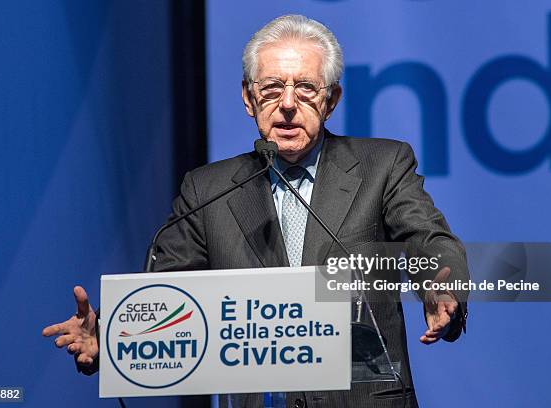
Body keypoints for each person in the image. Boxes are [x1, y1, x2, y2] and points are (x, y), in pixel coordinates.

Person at [43, 14, 468, 408]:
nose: (287, 104)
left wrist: (440, 288)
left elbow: (427, 239)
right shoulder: (207, 189)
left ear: (332, 100)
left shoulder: (383, 166)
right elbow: (165, 297)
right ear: (249, 99)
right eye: (270, 89)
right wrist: (109, 338)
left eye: (305, 88)